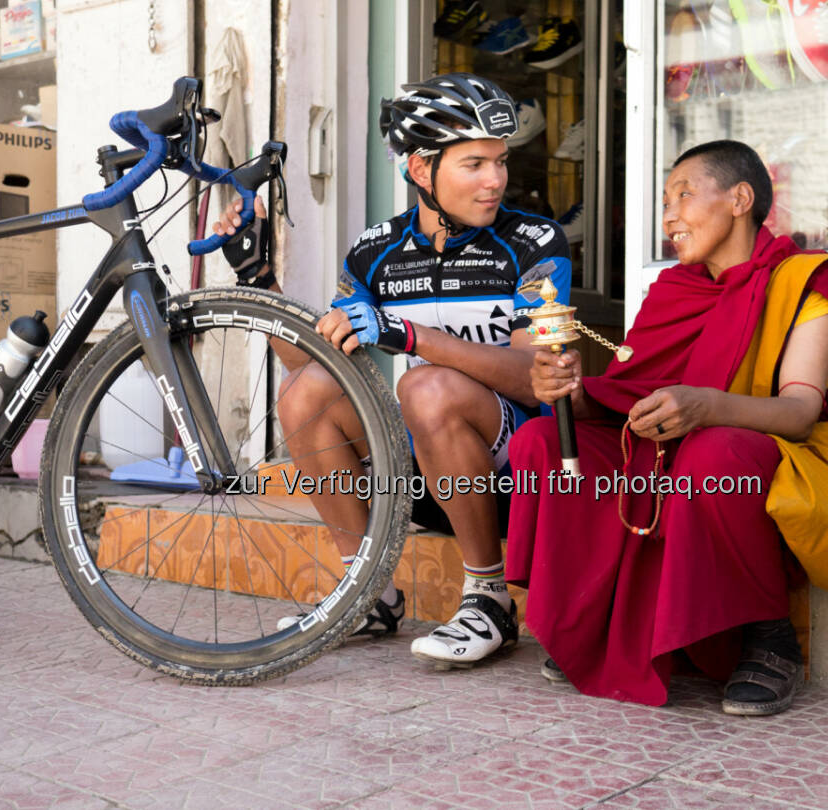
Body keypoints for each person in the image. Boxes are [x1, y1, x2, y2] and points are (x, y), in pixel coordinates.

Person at [507, 140, 828, 714]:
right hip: (679, 445)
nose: (668, 215)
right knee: (541, 440)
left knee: (713, 454)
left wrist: (707, 407)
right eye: (664, 200)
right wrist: (572, 393)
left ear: (741, 199)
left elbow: (799, 414)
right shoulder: (674, 290)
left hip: (774, 455)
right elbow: (630, 395)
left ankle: (770, 640)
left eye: (684, 195)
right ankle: (588, 623)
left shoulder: (807, 282)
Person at [213, 73, 569, 667]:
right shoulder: (376, 251)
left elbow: (541, 372)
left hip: (520, 473)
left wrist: (413, 336)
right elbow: (311, 369)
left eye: (500, 162)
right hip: (424, 472)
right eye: (474, 164)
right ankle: (365, 592)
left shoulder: (535, 241)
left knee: (423, 384)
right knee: (307, 393)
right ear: (420, 170)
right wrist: (258, 277)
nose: (496, 181)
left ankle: (489, 599)